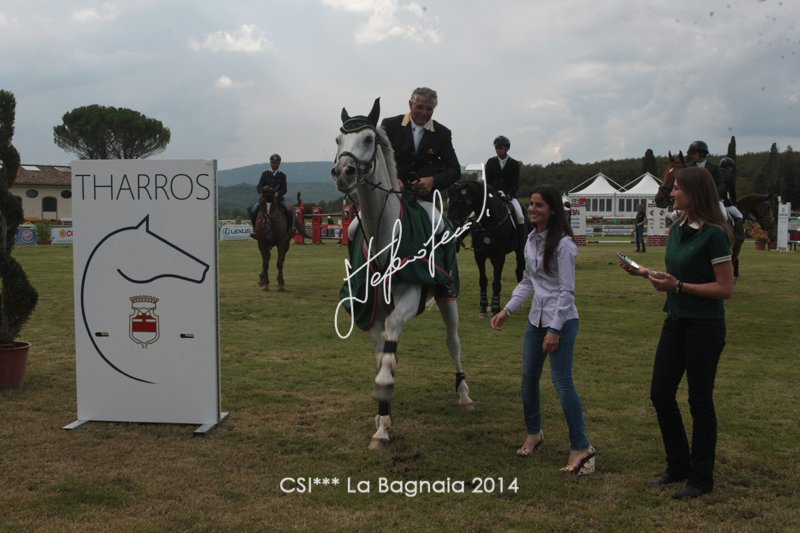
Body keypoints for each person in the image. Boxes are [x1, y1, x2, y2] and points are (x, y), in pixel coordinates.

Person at [618, 167, 734, 500]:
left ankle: (701, 477)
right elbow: (675, 276)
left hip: (704, 326)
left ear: (695, 193)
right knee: (660, 394)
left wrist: (679, 286)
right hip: (676, 321)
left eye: (678, 188)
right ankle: (678, 464)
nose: (672, 193)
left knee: (700, 401)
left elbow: (724, 289)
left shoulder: (715, 234)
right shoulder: (678, 227)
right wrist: (644, 272)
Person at [490, 185, 596, 476]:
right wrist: (507, 310)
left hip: (561, 322)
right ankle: (534, 433)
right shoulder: (530, 240)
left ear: (552, 210)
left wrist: (555, 329)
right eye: (531, 204)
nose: (532, 209)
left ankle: (582, 447)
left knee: (562, 383)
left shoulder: (564, 245)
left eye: (539, 205)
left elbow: (566, 292)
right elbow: (528, 281)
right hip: (536, 321)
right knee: (528, 380)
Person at [380, 87, 461, 234]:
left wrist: (433, 181)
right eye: (419, 107)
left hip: (424, 200)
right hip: (389, 196)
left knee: (440, 227)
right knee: (353, 230)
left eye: (429, 109)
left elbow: (454, 170)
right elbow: (377, 161)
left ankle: (447, 250)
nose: (424, 113)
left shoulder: (442, 133)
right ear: (410, 104)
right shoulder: (389, 125)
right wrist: (391, 180)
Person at [485, 135, 526, 279]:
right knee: (476, 213)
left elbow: (515, 183)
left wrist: (508, 195)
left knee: (520, 215)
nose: (498, 150)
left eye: (500, 148)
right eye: (496, 148)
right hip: (493, 195)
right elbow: (488, 181)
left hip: (509, 196)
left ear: (506, 148)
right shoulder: (490, 162)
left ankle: (520, 242)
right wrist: (494, 192)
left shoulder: (514, 164)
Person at [249, 154, 292, 238]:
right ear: (270, 162)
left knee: (289, 210)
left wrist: (278, 193)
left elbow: (284, 189)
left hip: (278, 199)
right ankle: (254, 230)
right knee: (253, 210)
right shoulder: (265, 173)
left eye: (276, 163)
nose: (274, 164)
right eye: (272, 162)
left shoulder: (282, 175)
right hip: (265, 198)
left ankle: (289, 230)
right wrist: (261, 191)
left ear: (279, 163)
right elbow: (259, 186)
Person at [719, 157, 743, 233]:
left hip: (710, 202)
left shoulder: (713, 174)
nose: (731, 169)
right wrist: (734, 203)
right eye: (731, 167)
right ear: (728, 167)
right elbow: (732, 192)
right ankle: (736, 234)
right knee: (739, 215)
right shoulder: (729, 176)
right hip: (724, 203)